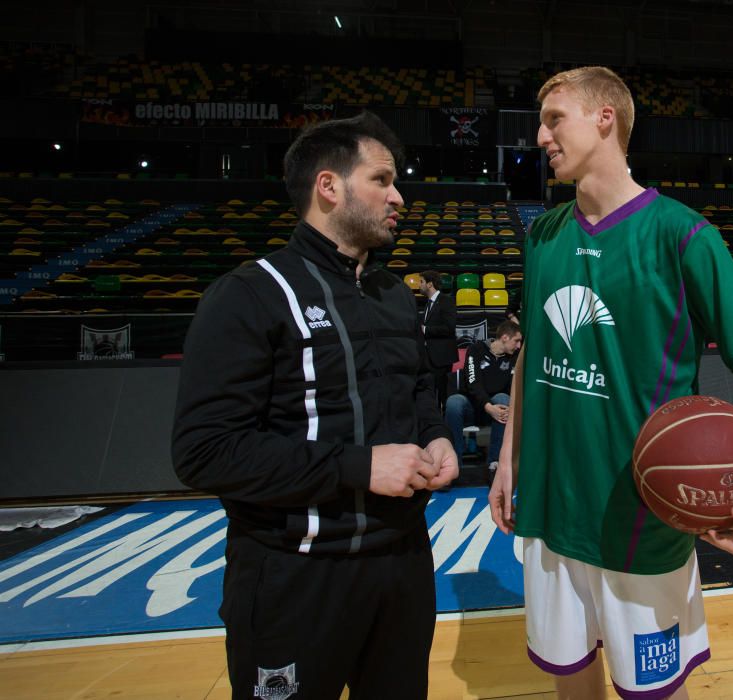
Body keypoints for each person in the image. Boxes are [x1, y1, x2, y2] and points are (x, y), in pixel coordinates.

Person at [488, 67, 733, 700]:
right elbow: (533, 353)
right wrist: (509, 457)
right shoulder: (544, 234)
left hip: (640, 518)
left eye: (555, 120)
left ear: (606, 118)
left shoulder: (683, 233)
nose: (541, 137)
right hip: (551, 511)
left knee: (653, 694)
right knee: (569, 683)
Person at [171, 111, 458, 700]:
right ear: (329, 186)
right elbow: (204, 452)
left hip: (403, 566)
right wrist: (359, 466)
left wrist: (435, 435)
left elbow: (415, 392)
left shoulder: (392, 294)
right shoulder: (251, 294)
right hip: (295, 574)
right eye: (382, 180)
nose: (398, 196)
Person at [444, 319, 522, 480]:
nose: (519, 346)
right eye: (517, 341)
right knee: (454, 402)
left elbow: (512, 390)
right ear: (505, 337)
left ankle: (494, 464)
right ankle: (453, 465)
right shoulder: (476, 349)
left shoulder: (514, 358)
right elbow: (473, 383)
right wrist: (488, 407)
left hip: (495, 410)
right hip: (472, 406)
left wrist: (494, 408)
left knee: (503, 399)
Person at [419, 269, 459, 411]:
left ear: (430, 284)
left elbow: (449, 327)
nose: (419, 285)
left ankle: (447, 423)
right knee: (430, 392)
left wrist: (425, 330)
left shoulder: (446, 301)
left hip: (441, 357)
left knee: (443, 393)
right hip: (429, 356)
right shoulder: (428, 303)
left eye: (421, 281)